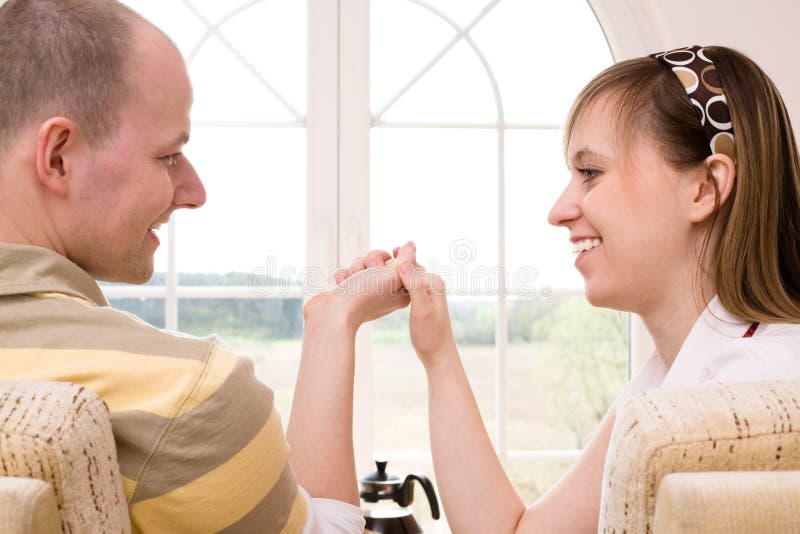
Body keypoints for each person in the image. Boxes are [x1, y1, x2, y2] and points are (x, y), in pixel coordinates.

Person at [0, 0, 413, 532]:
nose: (195, 192)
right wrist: (336, 321)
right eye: (168, 155)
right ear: (58, 157)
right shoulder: (180, 397)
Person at [387, 45, 800, 532]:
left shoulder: (750, 395)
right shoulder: (670, 387)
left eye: (590, 173)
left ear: (704, 189)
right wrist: (437, 349)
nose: (559, 210)